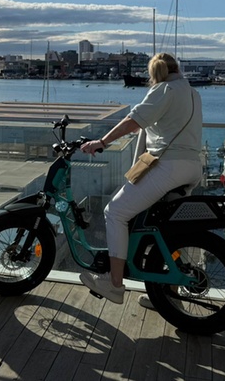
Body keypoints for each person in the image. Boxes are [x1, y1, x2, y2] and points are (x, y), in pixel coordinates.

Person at [78, 53, 203, 304]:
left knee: (115, 212)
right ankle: (169, 297)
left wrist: (101, 142)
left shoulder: (164, 90)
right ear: (177, 68)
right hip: (192, 168)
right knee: (167, 230)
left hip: (168, 166)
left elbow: (132, 121)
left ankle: (113, 284)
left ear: (155, 74)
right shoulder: (193, 94)